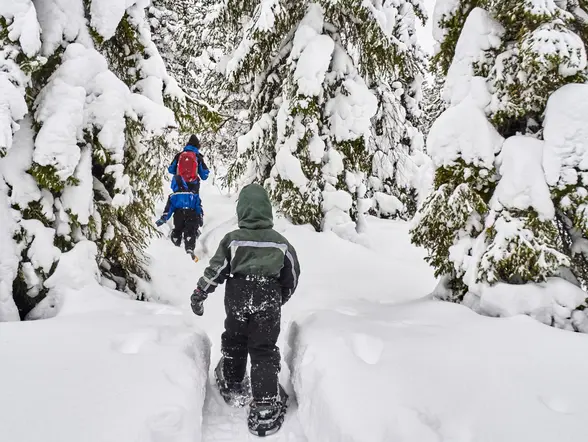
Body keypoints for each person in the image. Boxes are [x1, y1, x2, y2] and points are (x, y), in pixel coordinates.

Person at [190, 183, 300, 436]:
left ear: (242, 211)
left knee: (235, 338)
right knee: (263, 348)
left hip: (238, 294)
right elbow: (292, 275)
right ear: (267, 210)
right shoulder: (281, 243)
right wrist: (280, 296)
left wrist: (200, 293)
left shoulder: (233, 240)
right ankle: (264, 404)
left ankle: (233, 379)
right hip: (268, 295)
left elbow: (216, 270)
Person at [156, 175, 203, 260]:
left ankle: (176, 240)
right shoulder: (192, 194)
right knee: (190, 230)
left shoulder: (173, 196)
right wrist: (200, 216)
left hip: (179, 215)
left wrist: (163, 219)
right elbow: (198, 206)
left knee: (178, 228)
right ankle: (190, 245)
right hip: (191, 213)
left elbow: (169, 209)